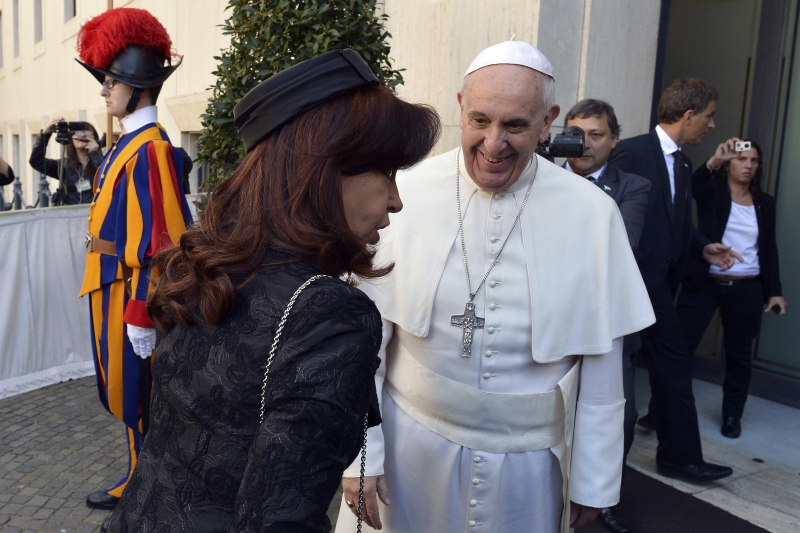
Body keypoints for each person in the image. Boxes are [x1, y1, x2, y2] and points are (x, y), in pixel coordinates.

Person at [103, 49, 441, 533]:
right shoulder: (328, 314)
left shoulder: (210, 266)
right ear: (324, 171)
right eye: (385, 173)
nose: (396, 200)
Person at [335, 41, 656, 533]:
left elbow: (603, 366)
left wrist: (594, 481)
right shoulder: (407, 193)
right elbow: (365, 345)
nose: (493, 143)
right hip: (408, 451)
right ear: (461, 107)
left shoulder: (592, 214)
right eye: (480, 120)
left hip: (529, 470)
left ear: (547, 122)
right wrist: (362, 455)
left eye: (516, 125)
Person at [74, 7, 193, 515]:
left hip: (129, 292)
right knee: (127, 392)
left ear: (138, 86)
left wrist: (143, 311)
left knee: (139, 393)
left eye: (112, 80)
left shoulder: (150, 150)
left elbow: (163, 242)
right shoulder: (130, 144)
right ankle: (139, 475)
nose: (104, 89)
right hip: (109, 284)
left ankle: (149, 485)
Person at [608, 78, 739, 483]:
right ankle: (669, 460)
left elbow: (675, 223)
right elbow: (608, 211)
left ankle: (678, 457)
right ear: (689, 115)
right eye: (709, 116)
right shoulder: (632, 151)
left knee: (672, 368)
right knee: (655, 369)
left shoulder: (682, 163)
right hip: (632, 287)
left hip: (660, 288)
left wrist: (703, 247)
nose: (712, 125)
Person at [563, 99, 650, 533]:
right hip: (554, 323)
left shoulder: (632, 187)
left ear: (614, 140)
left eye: (596, 135)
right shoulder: (535, 179)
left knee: (621, 416)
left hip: (607, 325)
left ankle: (602, 495)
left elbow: (622, 245)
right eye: (575, 134)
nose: (585, 144)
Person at [677, 138, 785, 439]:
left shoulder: (765, 203)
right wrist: (714, 161)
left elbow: (769, 249)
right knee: (680, 350)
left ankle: (732, 415)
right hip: (705, 284)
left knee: (739, 356)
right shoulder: (713, 192)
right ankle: (661, 411)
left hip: (746, 288)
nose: (748, 165)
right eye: (741, 159)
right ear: (729, 164)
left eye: (754, 161)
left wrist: (774, 291)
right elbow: (693, 185)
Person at [29, 119, 103, 205]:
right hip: (70, 212)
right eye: (77, 132)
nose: (83, 135)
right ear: (71, 138)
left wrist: (94, 154)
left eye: (87, 132)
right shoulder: (63, 166)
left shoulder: (104, 162)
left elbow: (106, 176)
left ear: (95, 138)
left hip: (97, 211)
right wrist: (45, 135)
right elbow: (36, 161)